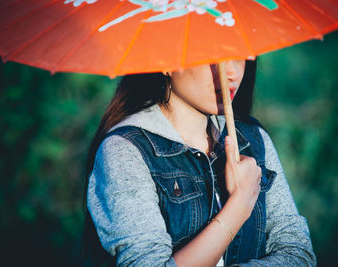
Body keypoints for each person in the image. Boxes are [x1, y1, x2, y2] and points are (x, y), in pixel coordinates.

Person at [82, 60, 316, 266]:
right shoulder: (125, 150)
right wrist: (239, 205)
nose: (231, 72)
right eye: (211, 57)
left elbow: (298, 253)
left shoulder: (253, 139)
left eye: (239, 54)